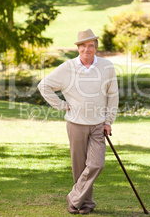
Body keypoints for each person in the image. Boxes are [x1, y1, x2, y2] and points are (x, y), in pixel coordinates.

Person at [38, 28, 119, 214]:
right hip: (76, 124)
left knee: (96, 164)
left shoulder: (106, 67)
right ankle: (85, 204)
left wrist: (109, 121)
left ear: (96, 48)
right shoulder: (68, 68)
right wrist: (61, 105)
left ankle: (73, 197)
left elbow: (113, 95)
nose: (86, 49)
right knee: (80, 168)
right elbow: (44, 86)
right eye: (82, 46)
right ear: (78, 48)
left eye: (90, 46)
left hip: (98, 124)